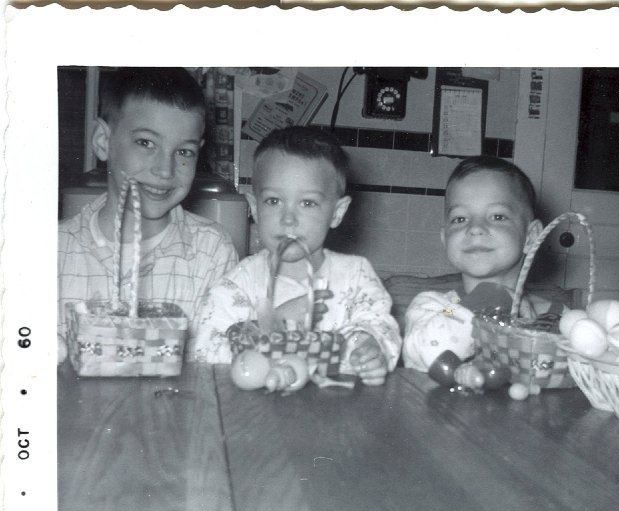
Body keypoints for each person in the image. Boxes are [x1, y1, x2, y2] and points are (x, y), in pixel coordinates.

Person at [193, 126, 401, 386]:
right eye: (273, 201)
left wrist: (371, 348)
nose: (288, 218)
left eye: (307, 203)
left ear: (337, 212)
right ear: (255, 208)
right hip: (255, 417)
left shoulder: (356, 276)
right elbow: (205, 352)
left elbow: (380, 325)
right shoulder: (237, 284)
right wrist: (271, 323)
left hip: (337, 412)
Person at [58, 67, 237, 344]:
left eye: (183, 152)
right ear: (103, 141)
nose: (165, 170)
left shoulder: (212, 252)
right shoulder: (52, 251)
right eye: (146, 143)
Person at [402, 156, 565, 384]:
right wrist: (488, 298)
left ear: (531, 237)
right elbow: (425, 352)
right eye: (460, 219)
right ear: (445, 238)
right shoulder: (437, 308)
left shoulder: (559, 318)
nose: (475, 228)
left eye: (497, 217)